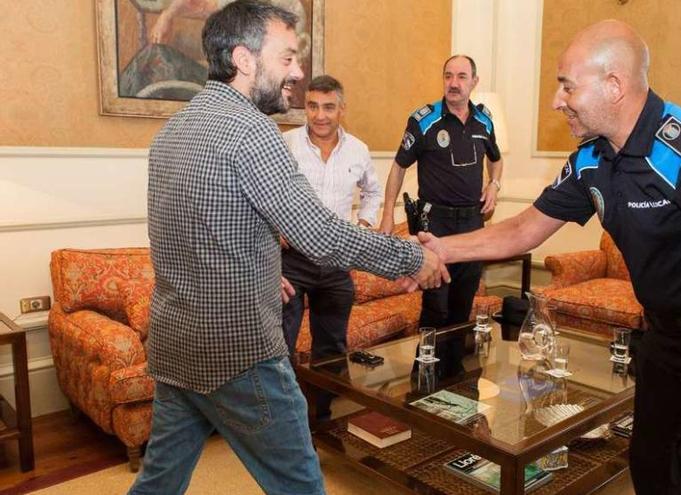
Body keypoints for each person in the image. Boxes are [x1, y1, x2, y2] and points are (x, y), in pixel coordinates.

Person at [418, 21, 681, 494]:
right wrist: (440, 248)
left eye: (567, 86)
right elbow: (524, 228)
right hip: (661, 338)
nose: (557, 101)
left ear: (614, 85)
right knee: (651, 467)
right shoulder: (591, 158)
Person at [128, 2, 447, 494]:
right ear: (244, 59)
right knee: (300, 485)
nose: (298, 73)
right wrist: (412, 257)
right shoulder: (252, 131)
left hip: (176, 345)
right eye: (287, 58)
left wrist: (259, 270)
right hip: (238, 351)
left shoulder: (172, 131)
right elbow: (317, 233)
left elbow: (195, 236)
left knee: (158, 483)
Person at [280, 74, 381, 420]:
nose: (320, 115)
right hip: (290, 262)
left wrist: (363, 226)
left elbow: (374, 192)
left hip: (336, 262)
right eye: (312, 106)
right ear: (304, 107)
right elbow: (264, 194)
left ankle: (319, 420)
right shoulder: (285, 143)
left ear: (341, 109)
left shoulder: (358, 150)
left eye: (328, 107)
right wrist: (276, 228)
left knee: (332, 348)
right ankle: (287, 422)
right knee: (280, 346)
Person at [378, 55, 504, 331]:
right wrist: (387, 215)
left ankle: (456, 371)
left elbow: (496, 158)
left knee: (463, 305)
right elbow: (399, 168)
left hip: (473, 223)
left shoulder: (485, 121)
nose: (454, 83)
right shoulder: (423, 120)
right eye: (448, 76)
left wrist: (494, 185)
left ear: (474, 82)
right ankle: (424, 373)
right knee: (436, 305)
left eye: (461, 76)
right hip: (435, 225)